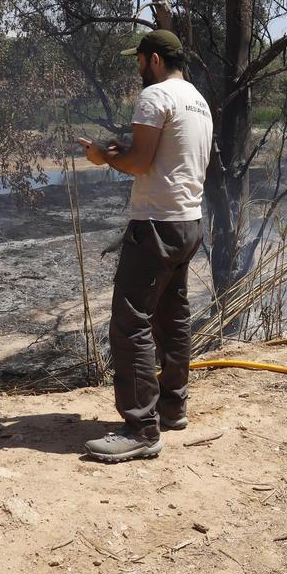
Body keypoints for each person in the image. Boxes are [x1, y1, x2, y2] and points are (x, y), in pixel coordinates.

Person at [77, 29, 213, 462]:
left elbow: (139, 164)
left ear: (153, 60)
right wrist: (129, 149)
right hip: (188, 223)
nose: (137, 67)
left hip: (154, 223)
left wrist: (105, 157)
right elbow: (167, 156)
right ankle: (172, 409)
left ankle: (140, 429)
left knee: (130, 321)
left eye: (139, 60)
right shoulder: (198, 100)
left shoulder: (155, 96)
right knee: (172, 316)